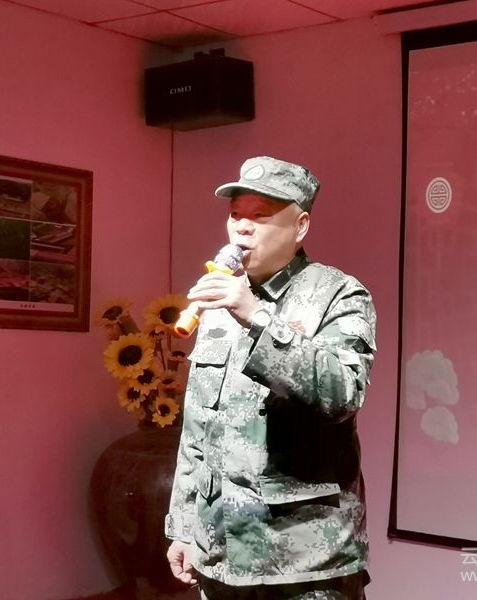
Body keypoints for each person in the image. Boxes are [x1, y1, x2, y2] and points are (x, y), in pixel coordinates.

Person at [165, 156, 377, 600]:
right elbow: (198, 428)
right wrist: (183, 526)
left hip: (304, 563)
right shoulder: (220, 302)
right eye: (235, 214)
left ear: (300, 227)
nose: (243, 228)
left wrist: (258, 317)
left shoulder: (338, 294)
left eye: (261, 216)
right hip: (219, 555)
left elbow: (343, 393)